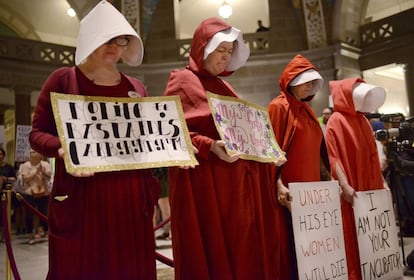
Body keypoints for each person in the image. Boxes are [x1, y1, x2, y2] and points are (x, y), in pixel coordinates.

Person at [28, 1, 159, 279]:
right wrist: (62, 149)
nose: (114, 47)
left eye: (121, 40)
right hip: (84, 196)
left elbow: (149, 138)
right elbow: (37, 133)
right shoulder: (63, 80)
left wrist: (178, 148)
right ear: (91, 38)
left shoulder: (137, 87)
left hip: (130, 198)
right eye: (106, 39)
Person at [164, 17, 285, 279]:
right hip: (207, 186)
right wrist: (208, 145)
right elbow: (171, 132)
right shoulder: (183, 79)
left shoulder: (224, 86)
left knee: (240, 251)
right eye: (221, 50)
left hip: (237, 186)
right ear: (203, 48)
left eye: (230, 52)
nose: (225, 57)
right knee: (216, 251)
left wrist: (269, 152)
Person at [267, 54, 325, 279]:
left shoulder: (308, 110)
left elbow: (319, 152)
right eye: (305, 80)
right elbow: (271, 149)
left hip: (313, 193)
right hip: (290, 194)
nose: (310, 85)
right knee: (293, 249)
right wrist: (277, 184)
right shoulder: (278, 107)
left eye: (313, 82)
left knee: (312, 249)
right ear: (291, 80)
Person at [325, 78, 388, 280]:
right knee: (354, 232)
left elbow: (372, 155)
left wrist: (382, 182)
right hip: (352, 186)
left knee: (373, 235)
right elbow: (333, 156)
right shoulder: (336, 120)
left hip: (371, 184)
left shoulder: (362, 121)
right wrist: (344, 185)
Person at [18, 149, 52, 244]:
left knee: (44, 213)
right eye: (30, 152)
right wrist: (36, 171)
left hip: (43, 192)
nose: (32, 154)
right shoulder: (26, 165)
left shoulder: (45, 164)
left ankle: (46, 231)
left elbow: (48, 177)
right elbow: (25, 179)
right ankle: (30, 234)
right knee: (29, 214)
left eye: (34, 152)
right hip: (29, 193)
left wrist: (42, 172)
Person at [0, 147, 16, 242]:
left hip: (5, 193)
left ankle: (4, 235)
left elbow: (14, 178)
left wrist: (5, 179)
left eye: (1, 154)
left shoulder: (8, 167)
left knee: (4, 215)